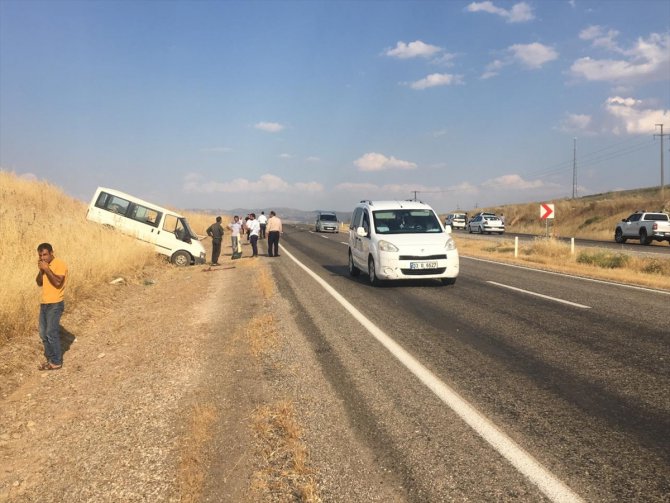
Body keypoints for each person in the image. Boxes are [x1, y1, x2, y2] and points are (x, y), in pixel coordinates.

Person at [35, 243, 68, 371]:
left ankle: (56, 362)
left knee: (51, 332)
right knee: (43, 334)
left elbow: (58, 283)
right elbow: (39, 283)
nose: (42, 258)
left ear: (51, 253)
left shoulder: (60, 264)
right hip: (44, 303)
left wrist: (47, 269)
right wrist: (41, 270)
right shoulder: (44, 265)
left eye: (45, 254)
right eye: (40, 255)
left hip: (55, 303)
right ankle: (50, 360)